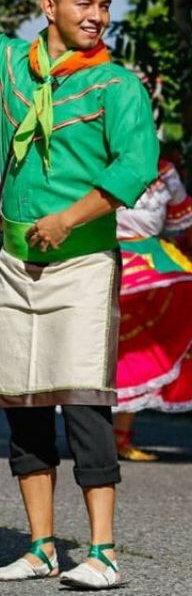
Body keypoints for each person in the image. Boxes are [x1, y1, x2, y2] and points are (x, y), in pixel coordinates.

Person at [0, 0, 158, 589]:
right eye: (85, 3)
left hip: (82, 264)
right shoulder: (10, 67)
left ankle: (103, 552)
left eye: (105, 4)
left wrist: (69, 219)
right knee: (23, 407)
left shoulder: (118, 85)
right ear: (49, 6)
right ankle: (41, 547)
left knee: (84, 404)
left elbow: (135, 166)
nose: (98, 15)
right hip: (15, 266)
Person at [113, 158, 192, 458]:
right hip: (106, 253)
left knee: (141, 349)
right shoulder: (97, 158)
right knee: (106, 347)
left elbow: (179, 221)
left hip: (154, 259)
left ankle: (120, 436)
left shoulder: (164, 171)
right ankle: (93, 434)